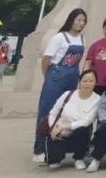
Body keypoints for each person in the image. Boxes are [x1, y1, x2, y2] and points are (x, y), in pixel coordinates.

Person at [33, 8, 87, 163]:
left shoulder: (82, 39)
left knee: (64, 112)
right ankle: (39, 149)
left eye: (83, 21)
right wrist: (48, 77)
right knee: (47, 111)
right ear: (71, 20)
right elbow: (46, 59)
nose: (80, 23)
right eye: (78, 20)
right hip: (56, 76)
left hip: (72, 76)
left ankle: (57, 148)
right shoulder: (59, 37)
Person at [43, 69, 99, 169]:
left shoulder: (97, 99)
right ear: (80, 82)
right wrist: (53, 127)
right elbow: (53, 113)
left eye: (91, 81)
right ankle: (56, 158)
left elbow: (87, 121)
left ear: (95, 83)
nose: (87, 84)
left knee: (82, 130)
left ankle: (79, 158)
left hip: (78, 132)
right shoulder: (68, 94)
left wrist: (64, 126)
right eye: (84, 81)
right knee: (52, 162)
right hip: (60, 131)